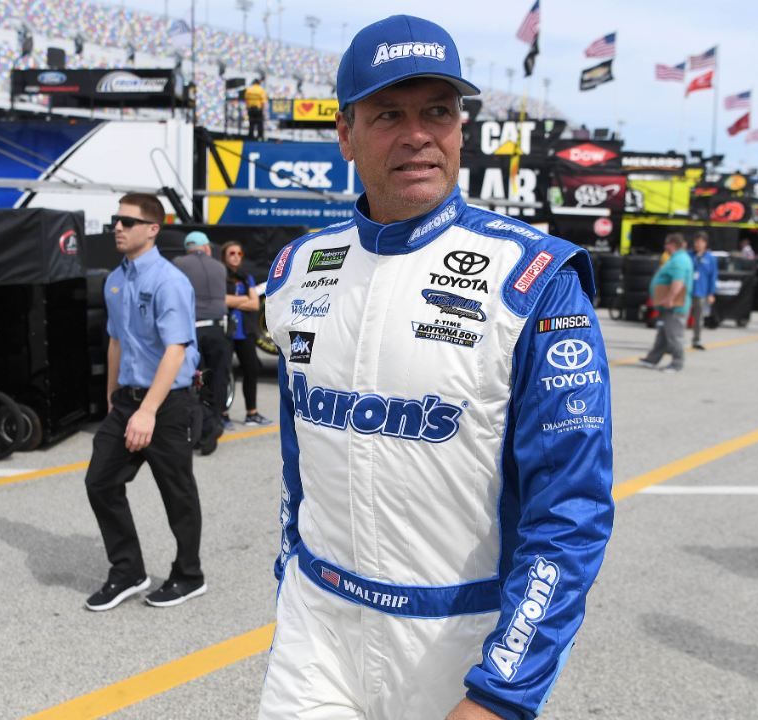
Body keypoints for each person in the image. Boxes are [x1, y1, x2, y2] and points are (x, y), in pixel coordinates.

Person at [258, 15, 614, 720]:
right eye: (389, 113)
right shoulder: (295, 271)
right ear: (345, 134)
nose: (417, 133)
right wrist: (288, 577)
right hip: (316, 629)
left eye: (438, 112)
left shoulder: (535, 277)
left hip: (457, 644)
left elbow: (569, 510)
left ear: (461, 128)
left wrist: (503, 692)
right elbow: (300, 457)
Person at [83, 194, 208, 612]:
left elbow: (176, 351)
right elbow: (116, 341)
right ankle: (128, 571)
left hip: (168, 403)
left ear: (152, 229)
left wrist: (148, 411)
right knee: (100, 481)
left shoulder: (169, 281)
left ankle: (189, 575)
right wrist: (113, 399)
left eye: (127, 221)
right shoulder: (114, 279)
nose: (117, 227)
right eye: (115, 221)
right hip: (129, 401)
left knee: (177, 493)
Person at [173, 231, 231, 450]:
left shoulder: (178, 263)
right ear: (206, 247)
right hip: (219, 329)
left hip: (193, 330)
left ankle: (201, 428)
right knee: (218, 380)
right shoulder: (220, 267)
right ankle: (214, 422)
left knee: (197, 383)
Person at [219, 240, 274, 428]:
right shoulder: (219, 276)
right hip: (225, 333)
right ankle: (222, 414)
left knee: (252, 370)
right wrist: (242, 299)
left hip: (245, 332)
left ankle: (252, 414)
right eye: (231, 253)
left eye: (239, 254)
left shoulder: (246, 277)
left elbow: (254, 304)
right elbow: (219, 301)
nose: (236, 257)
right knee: (223, 373)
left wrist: (233, 301)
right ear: (224, 257)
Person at [639, 233, 693, 372]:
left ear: (673, 244)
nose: (665, 246)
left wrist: (670, 299)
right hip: (669, 306)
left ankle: (677, 363)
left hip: (675, 306)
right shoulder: (676, 258)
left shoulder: (679, 260)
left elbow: (678, 282)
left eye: (667, 243)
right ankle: (652, 359)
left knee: (675, 335)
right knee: (663, 333)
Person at [688, 231, 717, 351]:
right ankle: (676, 342)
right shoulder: (689, 255)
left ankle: (697, 340)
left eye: (699, 242)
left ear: (705, 243)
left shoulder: (710, 259)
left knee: (699, 319)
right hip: (688, 291)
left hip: (701, 292)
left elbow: (713, 276)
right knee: (682, 318)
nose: (697, 245)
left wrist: (711, 293)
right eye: (695, 242)